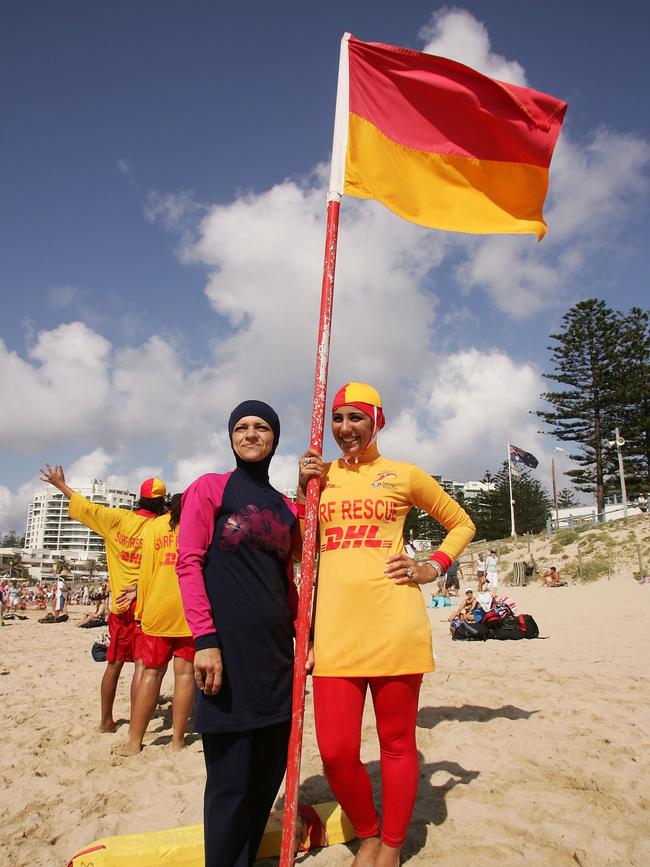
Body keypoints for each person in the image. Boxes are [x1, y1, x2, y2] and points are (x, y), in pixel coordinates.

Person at [299, 383, 475, 867]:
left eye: (356, 418)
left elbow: (462, 523)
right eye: (337, 419)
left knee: (397, 744)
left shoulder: (404, 474)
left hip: (394, 623)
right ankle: (368, 831)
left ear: (377, 421)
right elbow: (301, 549)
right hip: (335, 630)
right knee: (335, 752)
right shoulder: (320, 476)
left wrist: (430, 567)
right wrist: (302, 491)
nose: (345, 429)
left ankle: (390, 845)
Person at [176, 401, 300, 867]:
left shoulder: (287, 508)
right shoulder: (210, 488)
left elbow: (288, 582)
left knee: (268, 775)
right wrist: (205, 640)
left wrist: (302, 639)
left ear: (275, 438)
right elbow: (188, 563)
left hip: (275, 658)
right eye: (241, 427)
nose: (250, 434)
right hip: (224, 655)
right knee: (229, 783)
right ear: (230, 437)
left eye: (261, 427)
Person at [40, 465, 167, 731]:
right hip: (147, 602)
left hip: (120, 604)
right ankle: (137, 722)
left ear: (139, 500)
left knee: (114, 663)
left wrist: (60, 484)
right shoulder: (161, 527)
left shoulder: (116, 519)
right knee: (143, 666)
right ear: (161, 503)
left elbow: (84, 506)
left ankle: (106, 721)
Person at [114, 494, 195, 756]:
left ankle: (134, 742)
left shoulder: (156, 526)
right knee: (184, 676)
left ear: (168, 507)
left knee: (151, 672)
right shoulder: (199, 524)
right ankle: (177, 741)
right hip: (189, 610)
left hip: (158, 608)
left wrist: (141, 606)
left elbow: (146, 568)